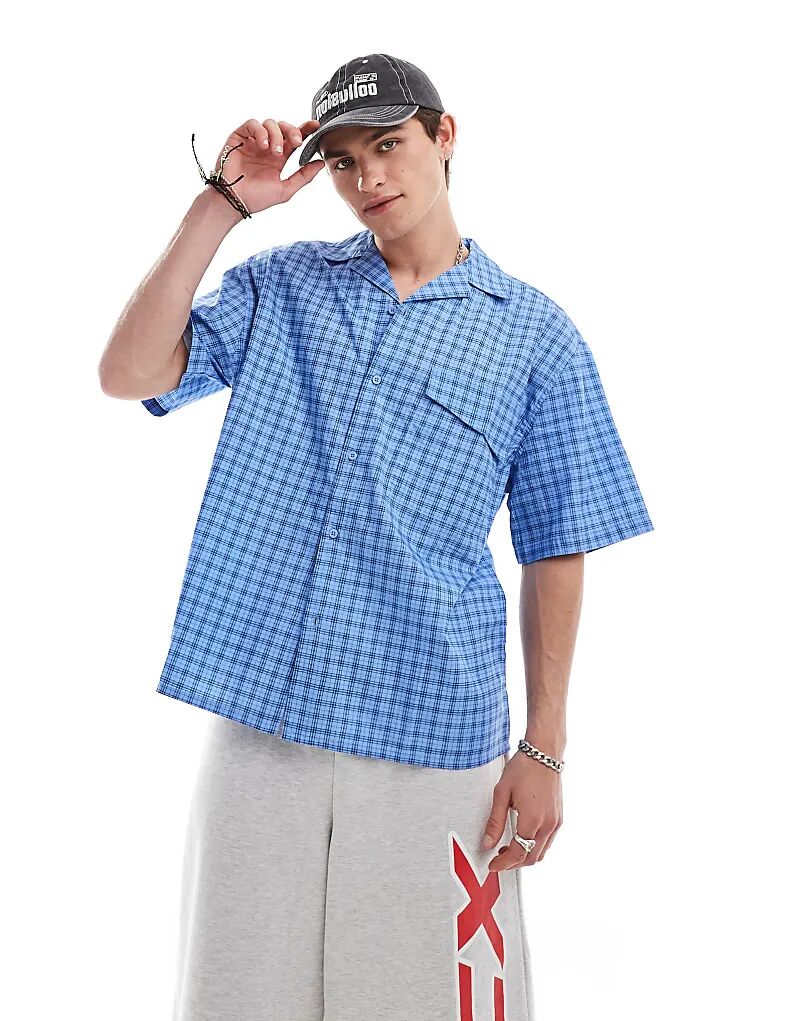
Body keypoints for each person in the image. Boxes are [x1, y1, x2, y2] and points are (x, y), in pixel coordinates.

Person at [100, 53, 654, 1021]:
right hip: (262, 719)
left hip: (431, 733)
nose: (369, 178)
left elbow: (557, 545)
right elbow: (130, 373)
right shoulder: (284, 287)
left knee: (429, 1002)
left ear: (444, 136)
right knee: (236, 1000)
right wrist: (219, 209)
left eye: (389, 146)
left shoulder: (536, 337)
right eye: (346, 160)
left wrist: (545, 747)